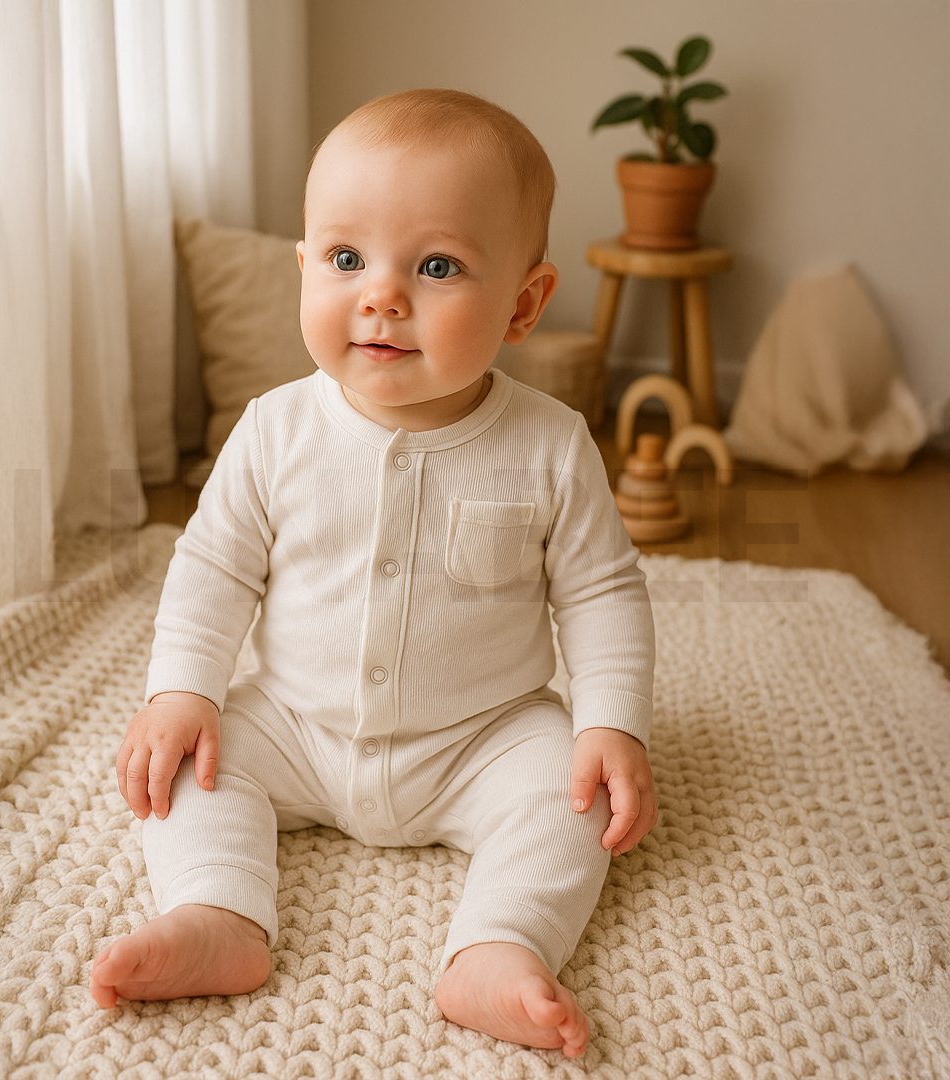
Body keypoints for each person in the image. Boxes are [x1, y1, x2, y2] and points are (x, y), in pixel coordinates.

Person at [90, 88, 657, 1058]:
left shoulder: (551, 446)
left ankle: (501, 944)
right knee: (186, 762)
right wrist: (182, 690)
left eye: (437, 266)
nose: (382, 296)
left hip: (480, 737)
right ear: (304, 269)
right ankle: (216, 911)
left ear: (523, 304)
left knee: (576, 796)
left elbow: (602, 593)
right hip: (297, 724)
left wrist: (611, 723)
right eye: (347, 259)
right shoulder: (275, 430)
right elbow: (214, 567)